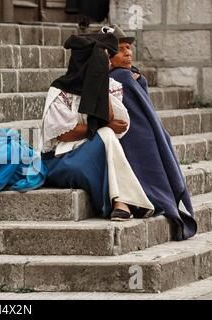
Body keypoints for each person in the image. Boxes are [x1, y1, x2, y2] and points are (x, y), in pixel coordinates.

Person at [39, 33, 155, 221]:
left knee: (108, 134)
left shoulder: (111, 86)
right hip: (60, 159)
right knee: (107, 133)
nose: (106, 64)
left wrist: (99, 85)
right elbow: (65, 135)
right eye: (101, 60)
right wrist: (99, 126)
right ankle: (125, 201)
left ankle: (122, 202)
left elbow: (117, 122)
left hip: (96, 152)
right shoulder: (59, 90)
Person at [105, 25, 197, 239]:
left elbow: (146, 113)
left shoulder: (134, 77)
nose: (128, 53)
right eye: (121, 49)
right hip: (129, 135)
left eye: (129, 48)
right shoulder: (122, 78)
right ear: (108, 56)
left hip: (143, 133)